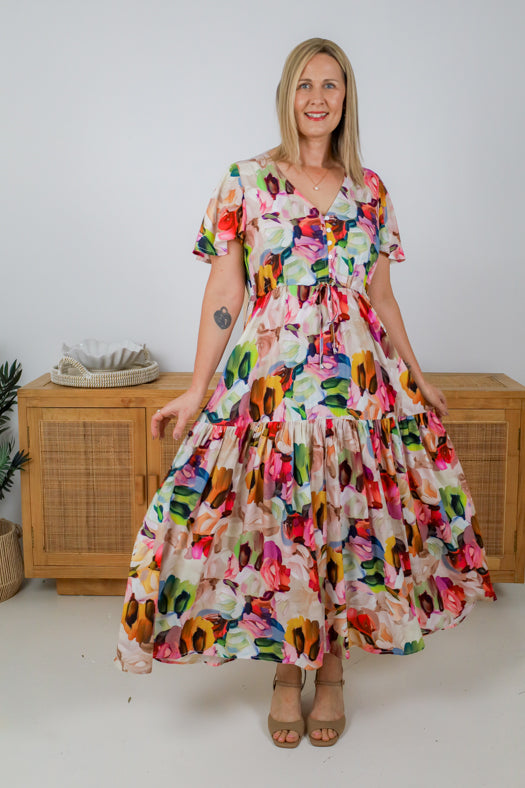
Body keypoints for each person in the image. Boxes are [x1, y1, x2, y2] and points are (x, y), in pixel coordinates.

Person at [115, 37, 497, 748]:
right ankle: (286, 675)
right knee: (281, 520)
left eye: (331, 84)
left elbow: (380, 297)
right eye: (304, 84)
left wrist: (415, 377)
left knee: (345, 520)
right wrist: (199, 388)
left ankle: (332, 674)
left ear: (346, 98)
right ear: (287, 96)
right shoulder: (246, 180)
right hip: (272, 381)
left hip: (357, 383)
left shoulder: (369, 188)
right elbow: (226, 291)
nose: (317, 97)